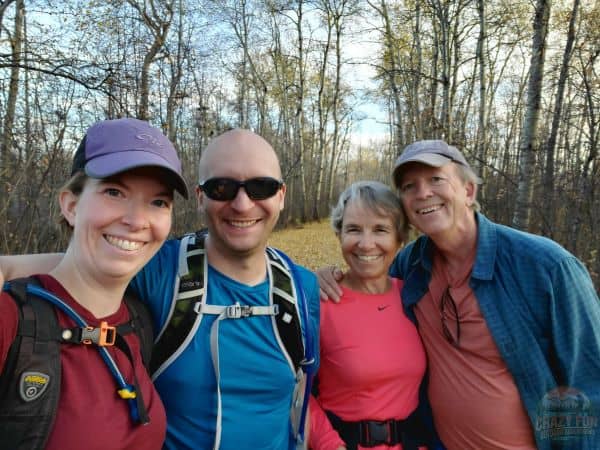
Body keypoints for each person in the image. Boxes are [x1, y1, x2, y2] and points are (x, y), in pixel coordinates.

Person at [0, 128, 320, 450]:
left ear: (281, 196)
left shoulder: (302, 288)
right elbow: (84, 262)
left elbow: (308, 393)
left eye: (260, 187)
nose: (242, 204)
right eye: (221, 188)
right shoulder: (161, 268)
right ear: (199, 197)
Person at [318, 140, 600, 450]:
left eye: (436, 179)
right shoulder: (411, 266)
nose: (423, 193)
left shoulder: (544, 267)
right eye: (410, 186)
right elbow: (367, 284)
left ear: (468, 190)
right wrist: (319, 279)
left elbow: (590, 384)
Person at [0, 117, 189, 449]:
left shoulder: (140, 319)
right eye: (114, 192)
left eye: (158, 202)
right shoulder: (11, 319)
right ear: (71, 206)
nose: (136, 221)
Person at [309, 181, 430, 450]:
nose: (366, 244)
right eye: (353, 229)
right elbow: (295, 390)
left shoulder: (415, 298)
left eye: (380, 230)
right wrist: (329, 444)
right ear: (339, 234)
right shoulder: (320, 302)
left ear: (400, 239)